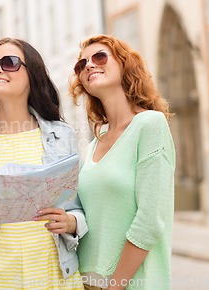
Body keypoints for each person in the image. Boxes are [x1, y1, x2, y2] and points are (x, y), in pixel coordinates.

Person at [0, 37, 87, 289]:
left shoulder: (62, 136)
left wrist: (70, 223)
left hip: (54, 275)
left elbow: (78, 208)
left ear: (32, 75)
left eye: (10, 62)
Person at [69, 34, 176, 290]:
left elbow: (150, 221)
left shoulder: (150, 125)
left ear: (124, 64)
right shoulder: (95, 144)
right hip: (84, 282)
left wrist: (114, 286)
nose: (89, 65)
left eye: (99, 57)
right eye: (81, 65)